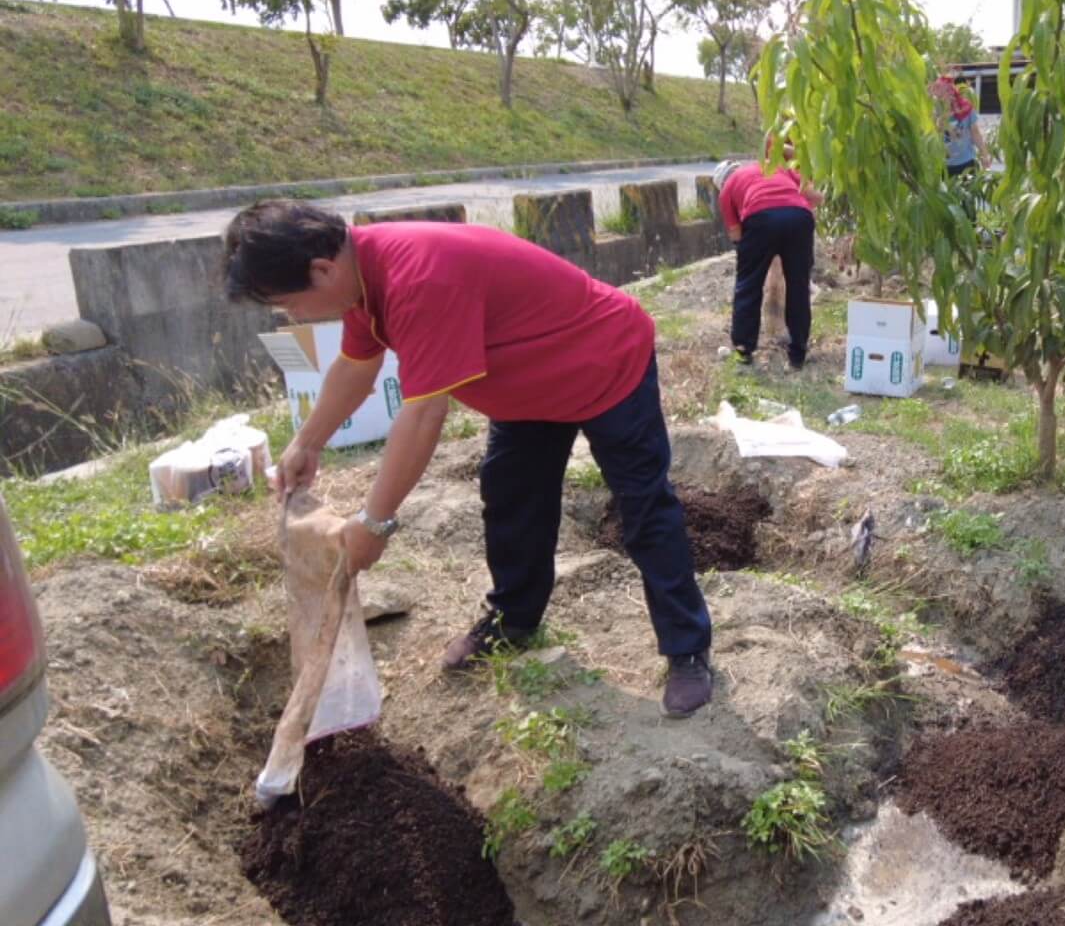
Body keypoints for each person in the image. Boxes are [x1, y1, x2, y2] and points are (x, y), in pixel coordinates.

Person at [221, 201, 715, 718]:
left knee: (643, 509)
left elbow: (423, 414)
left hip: (603, 363)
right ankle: (513, 620)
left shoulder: (417, 276)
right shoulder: (360, 277)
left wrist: (374, 522)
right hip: (527, 390)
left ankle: (687, 648)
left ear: (323, 270)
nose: (293, 317)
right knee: (510, 500)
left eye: (288, 304)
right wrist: (307, 442)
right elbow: (356, 365)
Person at [712, 156, 821, 369]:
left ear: (721, 183)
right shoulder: (775, 166)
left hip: (760, 219)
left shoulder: (727, 190)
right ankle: (798, 354)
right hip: (800, 217)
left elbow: (736, 234)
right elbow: (815, 197)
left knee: (748, 286)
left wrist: (753, 254)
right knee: (798, 285)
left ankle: (744, 349)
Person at [929, 75, 991, 177]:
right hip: (942, 166)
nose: (946, 95)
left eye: (948, 90)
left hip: (966, 163)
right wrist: (938, 125)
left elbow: (975, 133)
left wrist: (984, 154)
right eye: (941, 92)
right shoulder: (933, 111)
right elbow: (928, 138)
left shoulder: (965, 108)